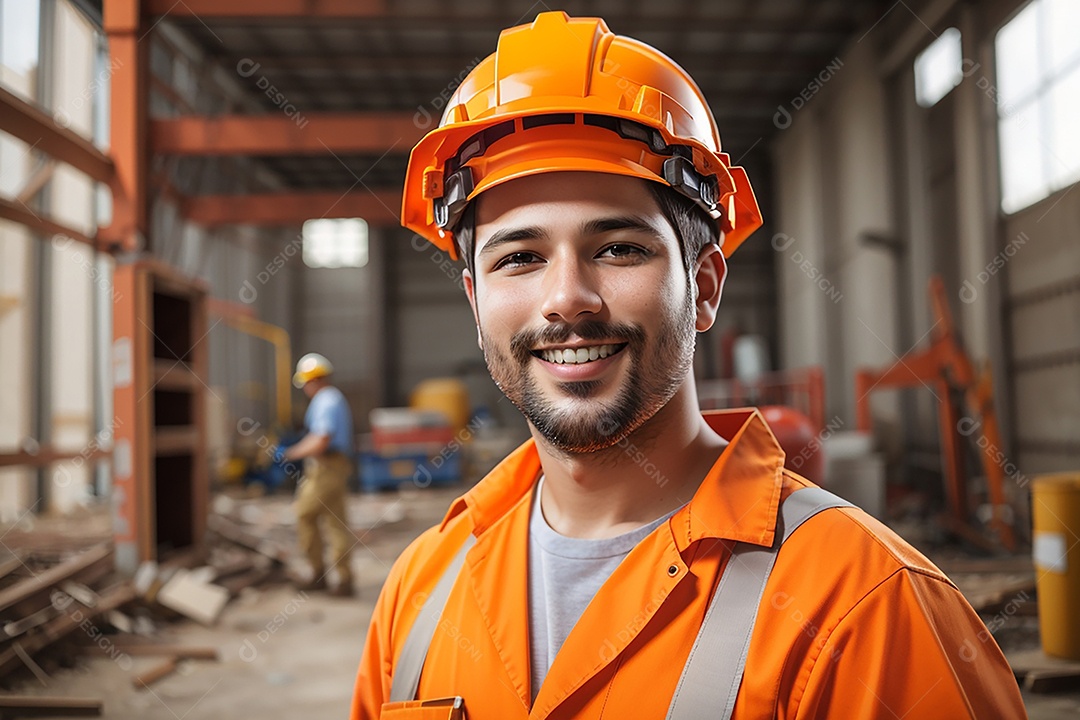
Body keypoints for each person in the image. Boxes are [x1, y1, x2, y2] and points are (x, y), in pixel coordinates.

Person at [351, 12, 1027, 719]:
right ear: (474, 298)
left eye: (618, 249)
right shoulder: (420, 594)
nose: (567, 300)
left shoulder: (868, 606)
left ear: (703, 286)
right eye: (519, 258)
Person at [283, 352, 356, 598]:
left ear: (312, 380)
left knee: (304, 513)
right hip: (334, 466)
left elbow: (321, 439)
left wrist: (290, 453)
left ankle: (317, 573)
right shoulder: (333, 399)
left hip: (326, 468)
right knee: (336, 523)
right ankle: (344, 580)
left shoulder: (326, 401)